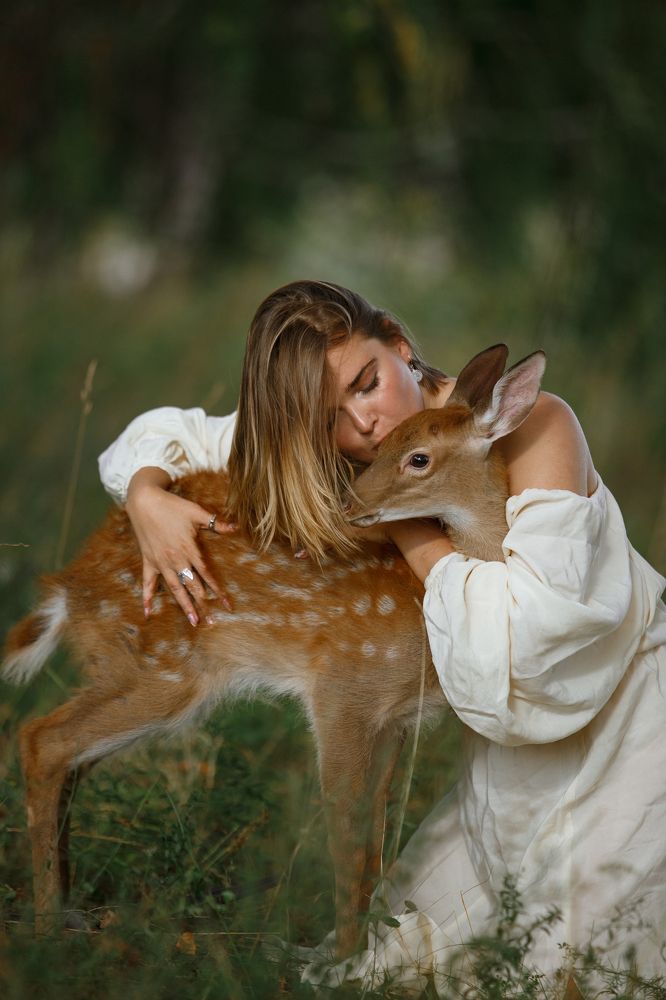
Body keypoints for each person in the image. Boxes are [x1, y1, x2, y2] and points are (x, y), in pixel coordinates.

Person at [98, 279, 666, 990]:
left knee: (581, 972)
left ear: (400, 345)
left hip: (627, 724)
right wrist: (148, 496)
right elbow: (173, 435)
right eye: (329, 416)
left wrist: (405, 528)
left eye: (368, 384)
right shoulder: (383, 460)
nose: (363, 425)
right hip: (512, 766)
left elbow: (526, 648)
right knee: (402, 969)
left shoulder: (533, 424)